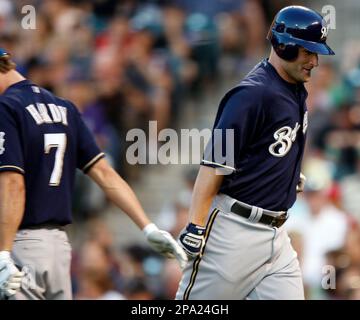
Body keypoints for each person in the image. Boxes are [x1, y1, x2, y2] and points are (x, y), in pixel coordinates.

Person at [0, 49, 187, 300]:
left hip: (21, 246)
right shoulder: (64, 107)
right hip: (59, 250)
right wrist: (147, 226)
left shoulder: (6, 108)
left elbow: (12, 184)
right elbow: (105, 173)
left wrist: (3, 252)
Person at [176, 5, 335, 300]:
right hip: (234, 233)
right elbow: (215, 165)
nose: (314, 60)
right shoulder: (252, 94)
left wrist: (285, 173)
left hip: (277, 236)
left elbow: (266, 146)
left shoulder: (294, 87)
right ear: (285, 45)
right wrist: (195, 225)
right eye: (307, 51)